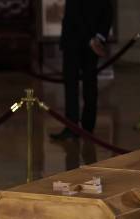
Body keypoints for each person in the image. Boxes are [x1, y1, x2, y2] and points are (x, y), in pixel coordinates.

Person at [50, 0, 113, 140]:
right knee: (89, 83)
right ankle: (87, 126)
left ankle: (73, 128)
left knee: (75, 86)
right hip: (89, 44)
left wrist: (92, 39)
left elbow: (75, 14)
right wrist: (98, 37)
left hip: (76, 42)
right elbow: (107, 12)